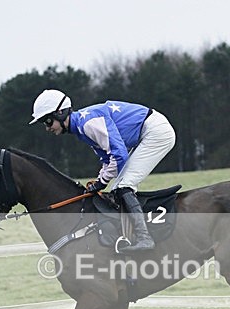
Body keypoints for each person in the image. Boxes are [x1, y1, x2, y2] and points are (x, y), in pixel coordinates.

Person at [29, 89, 176, 252]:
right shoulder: (81, 128)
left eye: (48, 121)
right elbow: (108, 160)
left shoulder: (87, 124)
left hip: (156, 132)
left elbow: (120, 155)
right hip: (147, 131)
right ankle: (129, 234)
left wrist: (101, 182)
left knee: (124, 186)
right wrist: (99, 181)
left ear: (60, 113)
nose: (47, 128)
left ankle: (144, 238)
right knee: (118, 188)